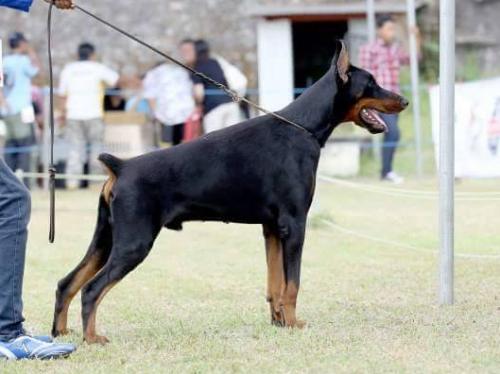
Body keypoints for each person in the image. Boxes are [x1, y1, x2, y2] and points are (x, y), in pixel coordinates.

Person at [0, 0, 75, 361]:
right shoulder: (22, 62)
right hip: (19, 115)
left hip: (10, 113)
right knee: (12, 198)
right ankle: (6, 331)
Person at [359, 14, 421, 184]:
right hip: (378, 101)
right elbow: (364, 76)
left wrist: (415, 37)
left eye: (393, 29)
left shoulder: (395, 49)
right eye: (389, 29)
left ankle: (386, 171)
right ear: (379, 30)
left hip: (394, 100)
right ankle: (386, 172)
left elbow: (413, 59)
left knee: (391, 135)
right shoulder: (369, 49)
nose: (392, 33)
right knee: (393, 132)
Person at [58, 42, 120, 189]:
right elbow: (115, 80)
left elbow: (62, 95)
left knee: (75, 150)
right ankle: (96, 183)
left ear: (77, 54)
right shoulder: (97, 67)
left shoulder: (68, 69)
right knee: (96, 149)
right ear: (92, 54)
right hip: (94, 114)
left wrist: (62, 114)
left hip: (73, 115)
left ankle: (72, 183)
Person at [1, 32, 40, 188]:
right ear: (21, 44)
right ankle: (26, 184)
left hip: (6, 110)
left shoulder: (4, 61)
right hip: (22, 109)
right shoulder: (23, 61)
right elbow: (36, 70)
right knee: (26, 147)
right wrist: (31, 52)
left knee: (10, 146)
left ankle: (8, 182)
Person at [143, 43, 196, 146]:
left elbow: (150, 95)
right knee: (174, 143)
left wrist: (155, 112)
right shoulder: (180, 72)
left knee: (171, 144)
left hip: (174, 113)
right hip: (173, 114)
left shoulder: (179, 72)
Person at [187, 39, 243, 134]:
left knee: (213, 141)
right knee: (233, 138)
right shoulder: (215, 62)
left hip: (213, 108)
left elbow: (199, 92)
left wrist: (197, 104)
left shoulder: (197, 67)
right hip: (230, 104)